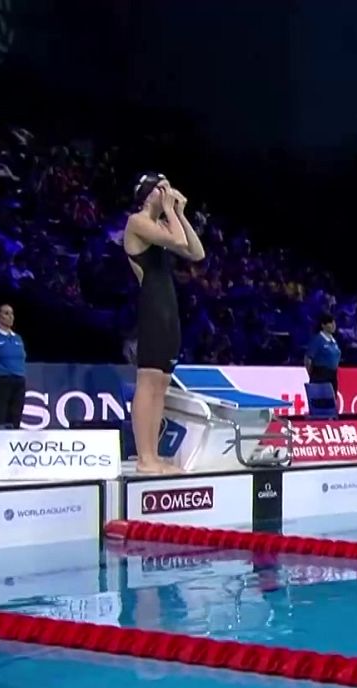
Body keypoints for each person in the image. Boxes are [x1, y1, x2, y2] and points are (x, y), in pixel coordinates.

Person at [122, 172, 206, 475]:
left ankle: (154, 455)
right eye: (164, 188)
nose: (170, 192)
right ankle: (145, 457)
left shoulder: (160, 225)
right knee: (148, 380)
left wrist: (180, 213)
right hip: (152, 306)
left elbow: (196, 251)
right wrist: (172, 211)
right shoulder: (137, 222)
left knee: (162, 382)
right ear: (149, 194)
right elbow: (177, 240)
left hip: (169, 308)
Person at [304, 313, 341, 385]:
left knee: (331, 396)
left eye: (334, 322)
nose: (333, 325)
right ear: (323, 325)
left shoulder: (334, 341)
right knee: (321, 395)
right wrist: (313, 374)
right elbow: (308, 358)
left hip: (333, 375)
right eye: (330, 322)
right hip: (320, 375)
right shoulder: (318, 339)